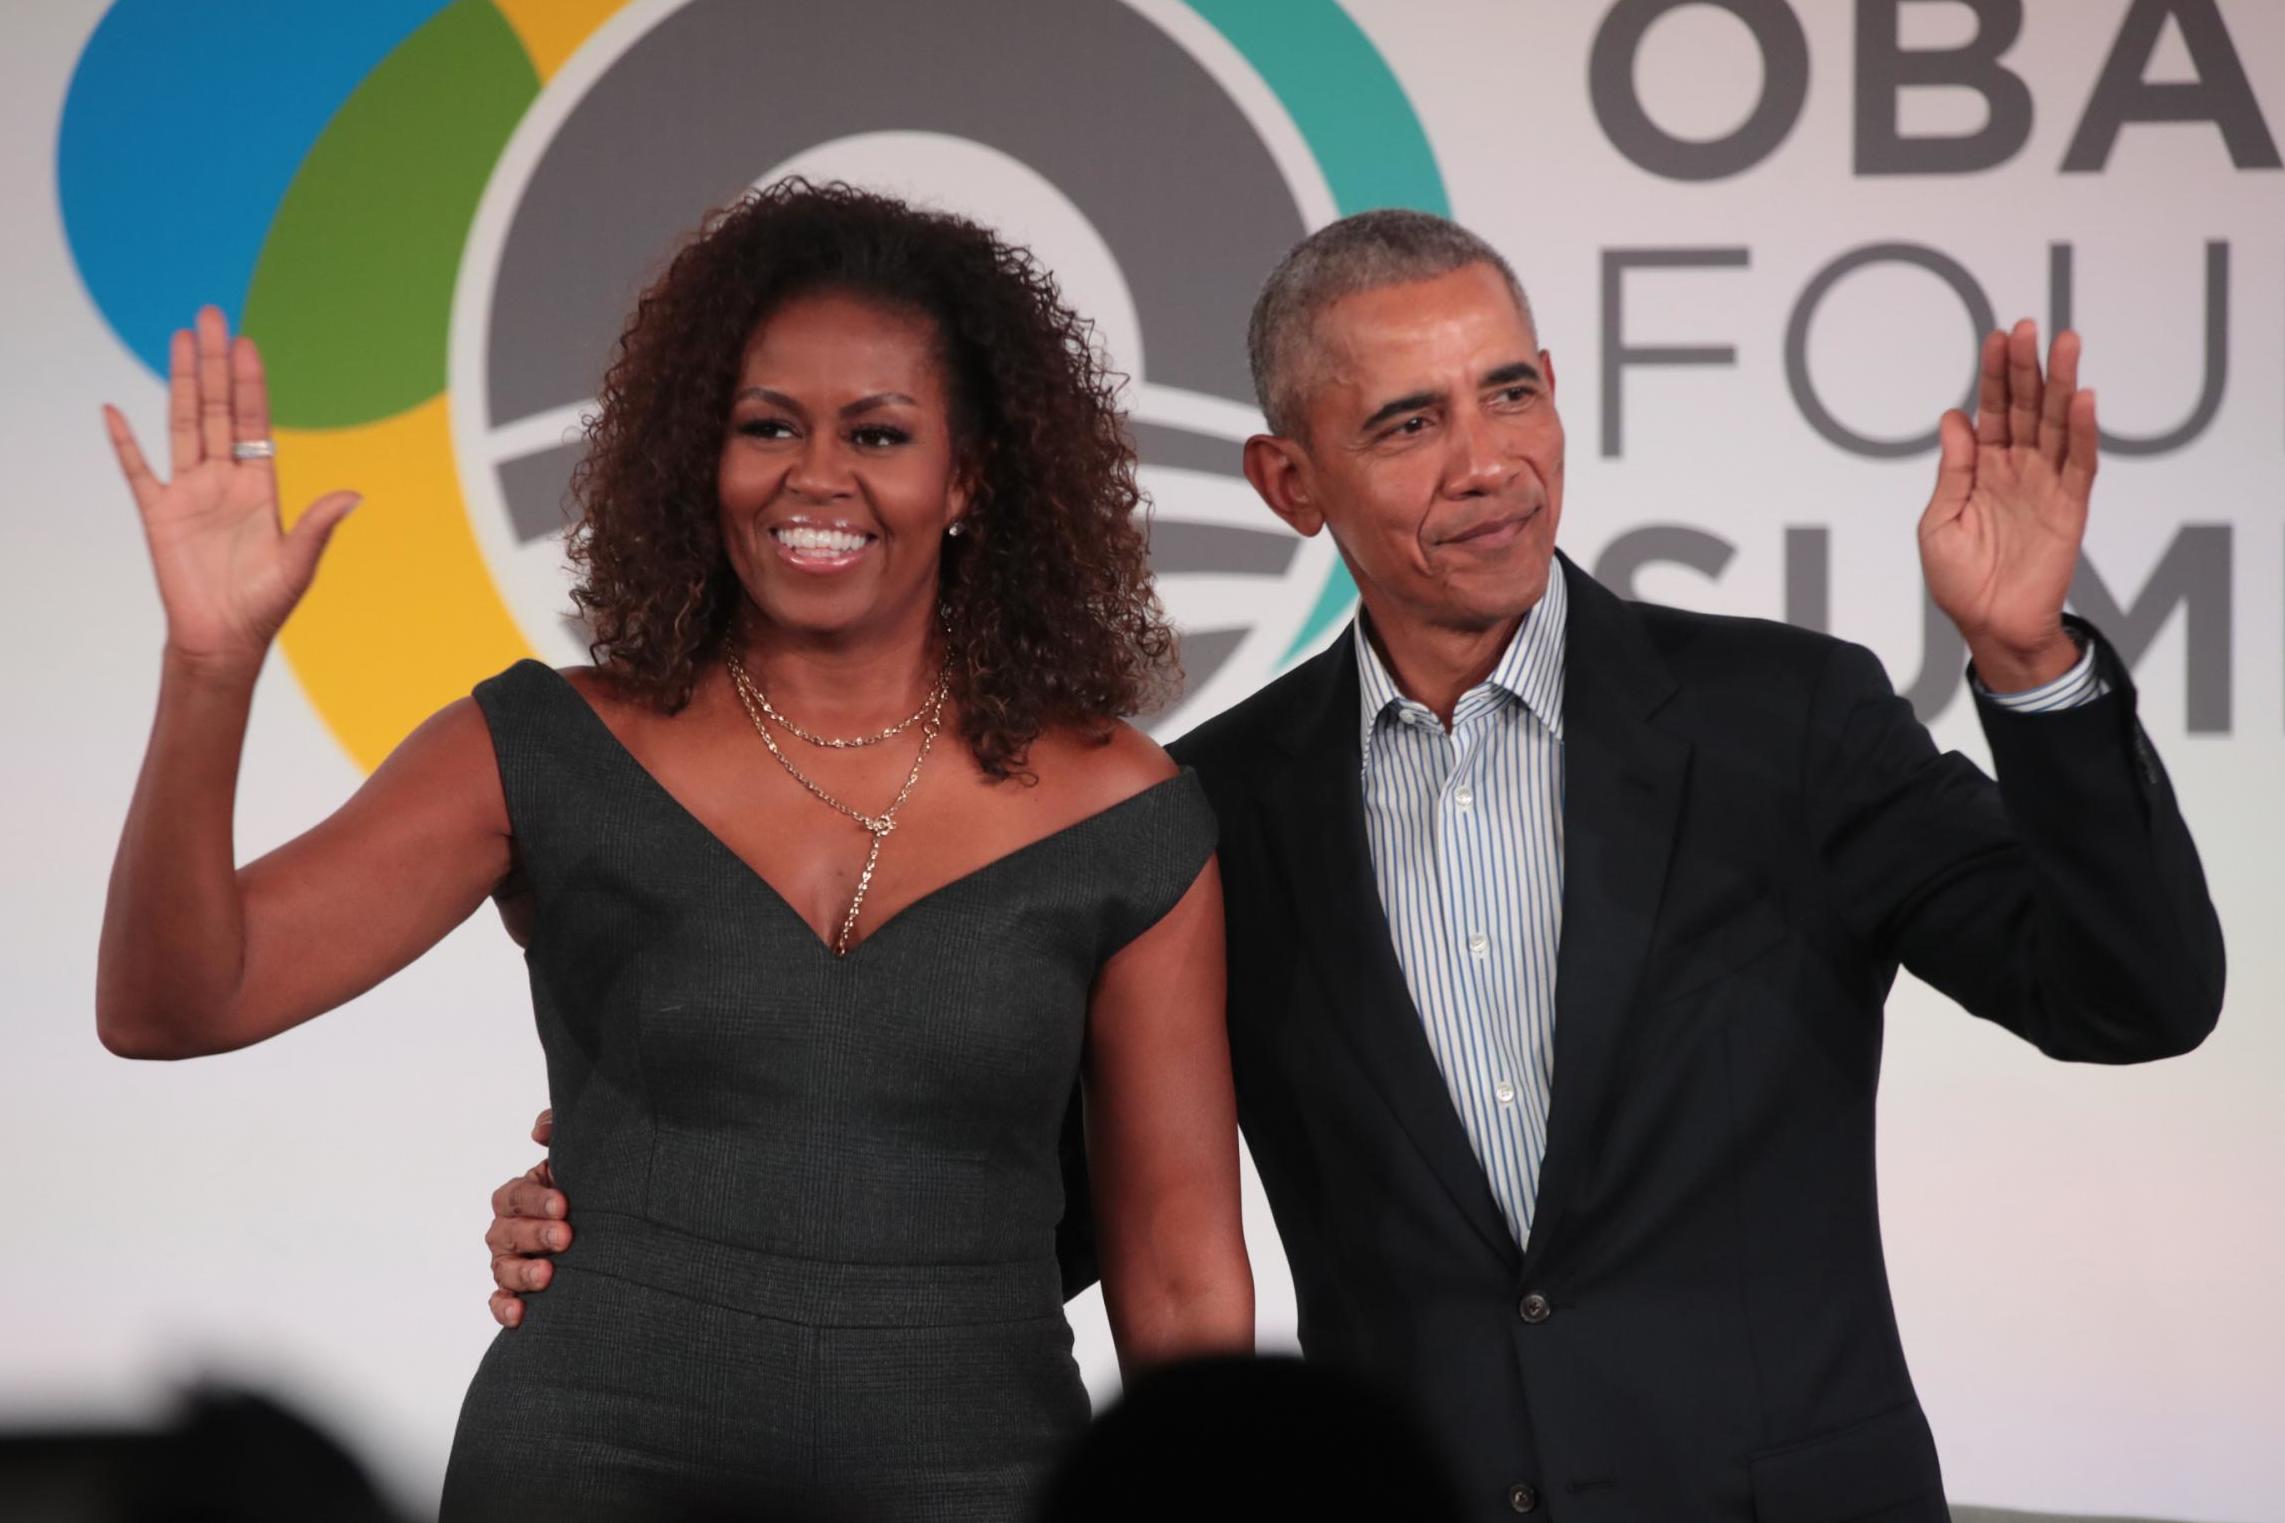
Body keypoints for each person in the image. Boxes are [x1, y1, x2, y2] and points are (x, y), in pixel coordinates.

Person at [487, 210, 2224, 1519]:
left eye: (1510, 392)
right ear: (1288, 479)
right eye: (1406, 424)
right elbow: (1022, 1204)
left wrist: (2027, 666)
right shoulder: (1207, 811)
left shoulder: (1787, 721)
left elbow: (2130, 999)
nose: (1487, 464)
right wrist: (644, 1204)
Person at [94, 180, 1252, 1521]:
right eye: (767, 426)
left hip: (981, 1478)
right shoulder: (544, 747)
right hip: (589, 1472)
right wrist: (210, 668)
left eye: (878, 433)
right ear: (700, 455)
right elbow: (176, 1004)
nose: (815, 477)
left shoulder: (1118, 810)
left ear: (967, 475)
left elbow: (1181, 1276)